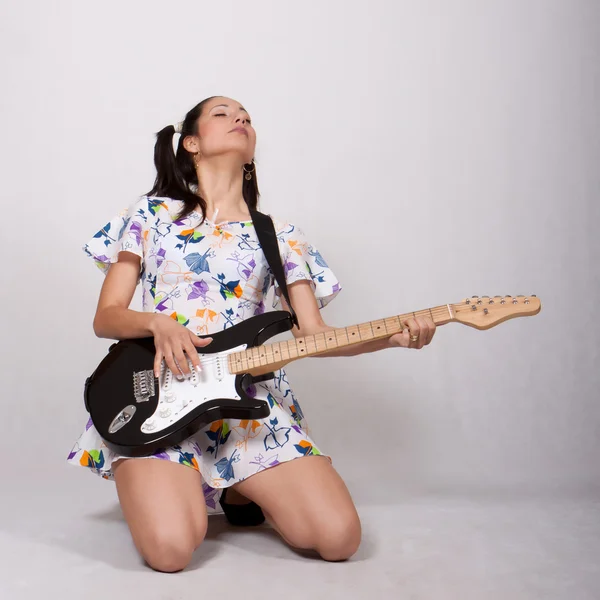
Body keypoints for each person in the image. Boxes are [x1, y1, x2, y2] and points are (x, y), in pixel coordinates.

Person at [67, 96, 437, 572]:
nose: (240, 118)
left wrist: (393, 338)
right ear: (192, 143)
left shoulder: (280, 235)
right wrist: (158, 322)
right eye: (223, 113)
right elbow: (107, 317)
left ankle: (238, 481)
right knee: (170, 550)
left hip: (249, 400)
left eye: (246, 116)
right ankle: (174, 479)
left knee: (338, 539)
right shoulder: (149, 216)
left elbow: (315, 336)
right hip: (158, 396)